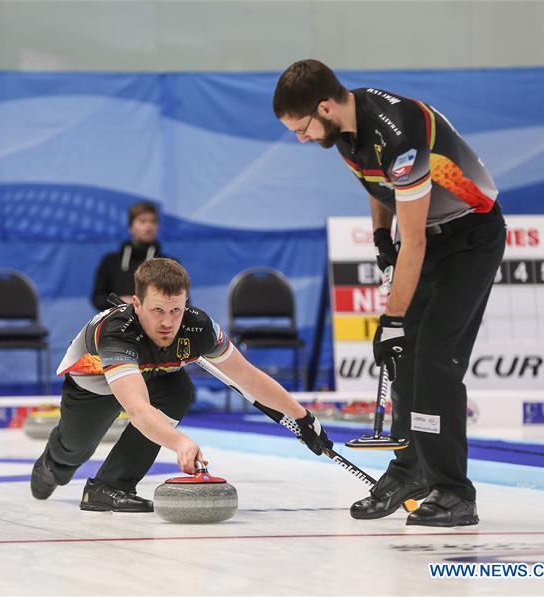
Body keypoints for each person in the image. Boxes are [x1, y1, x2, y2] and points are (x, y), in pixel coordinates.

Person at [273, 60, 505, 527]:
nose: (300, 139)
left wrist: (392, 319)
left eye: (301, 129)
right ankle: (410, 471)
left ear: (324, 107)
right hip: (431, 235)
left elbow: (415, 241)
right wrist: (381, 238)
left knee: (435, 359)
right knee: (403, 358)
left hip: (470, 236)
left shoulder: (402, 133)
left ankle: (455, 492)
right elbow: (378, 186)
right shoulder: (343, 130)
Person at [31, 258, 332, 511]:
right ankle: (52, 465)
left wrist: (302, 417)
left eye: (176, 310)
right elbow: (137, 409)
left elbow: (248, 377)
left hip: (150, 375)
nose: (167, 323)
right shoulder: (118, 333)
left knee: (179, 390)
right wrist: (181, 443)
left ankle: (108, 488)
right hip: (95, 385)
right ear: (136, 304)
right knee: (74, 450)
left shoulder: (198, 327)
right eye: (157, 310)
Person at [90, 201, 166, 310]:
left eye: (153, 221)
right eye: (142, 221)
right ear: (130, 228)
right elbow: (97, 298)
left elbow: (181, 300)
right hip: (118, 323)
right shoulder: (111, 261)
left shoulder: (168, 263)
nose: (148, 226)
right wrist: (120, 302)